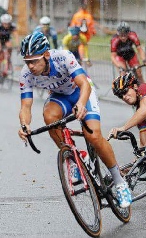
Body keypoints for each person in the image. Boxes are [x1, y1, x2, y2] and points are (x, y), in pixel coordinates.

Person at [17, 32, 132, 208]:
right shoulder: (26, 75)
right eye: (27, 61)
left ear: (46, 55)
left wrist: (81, 104)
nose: (31, 66)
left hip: (82, 92)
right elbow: (26, 106)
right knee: (49, 116)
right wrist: (24, 125)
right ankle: (72, 158)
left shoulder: (63, 57)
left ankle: (119, 182)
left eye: (35, 61)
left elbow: (84, 84)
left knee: (93, 137)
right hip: (60, 97)